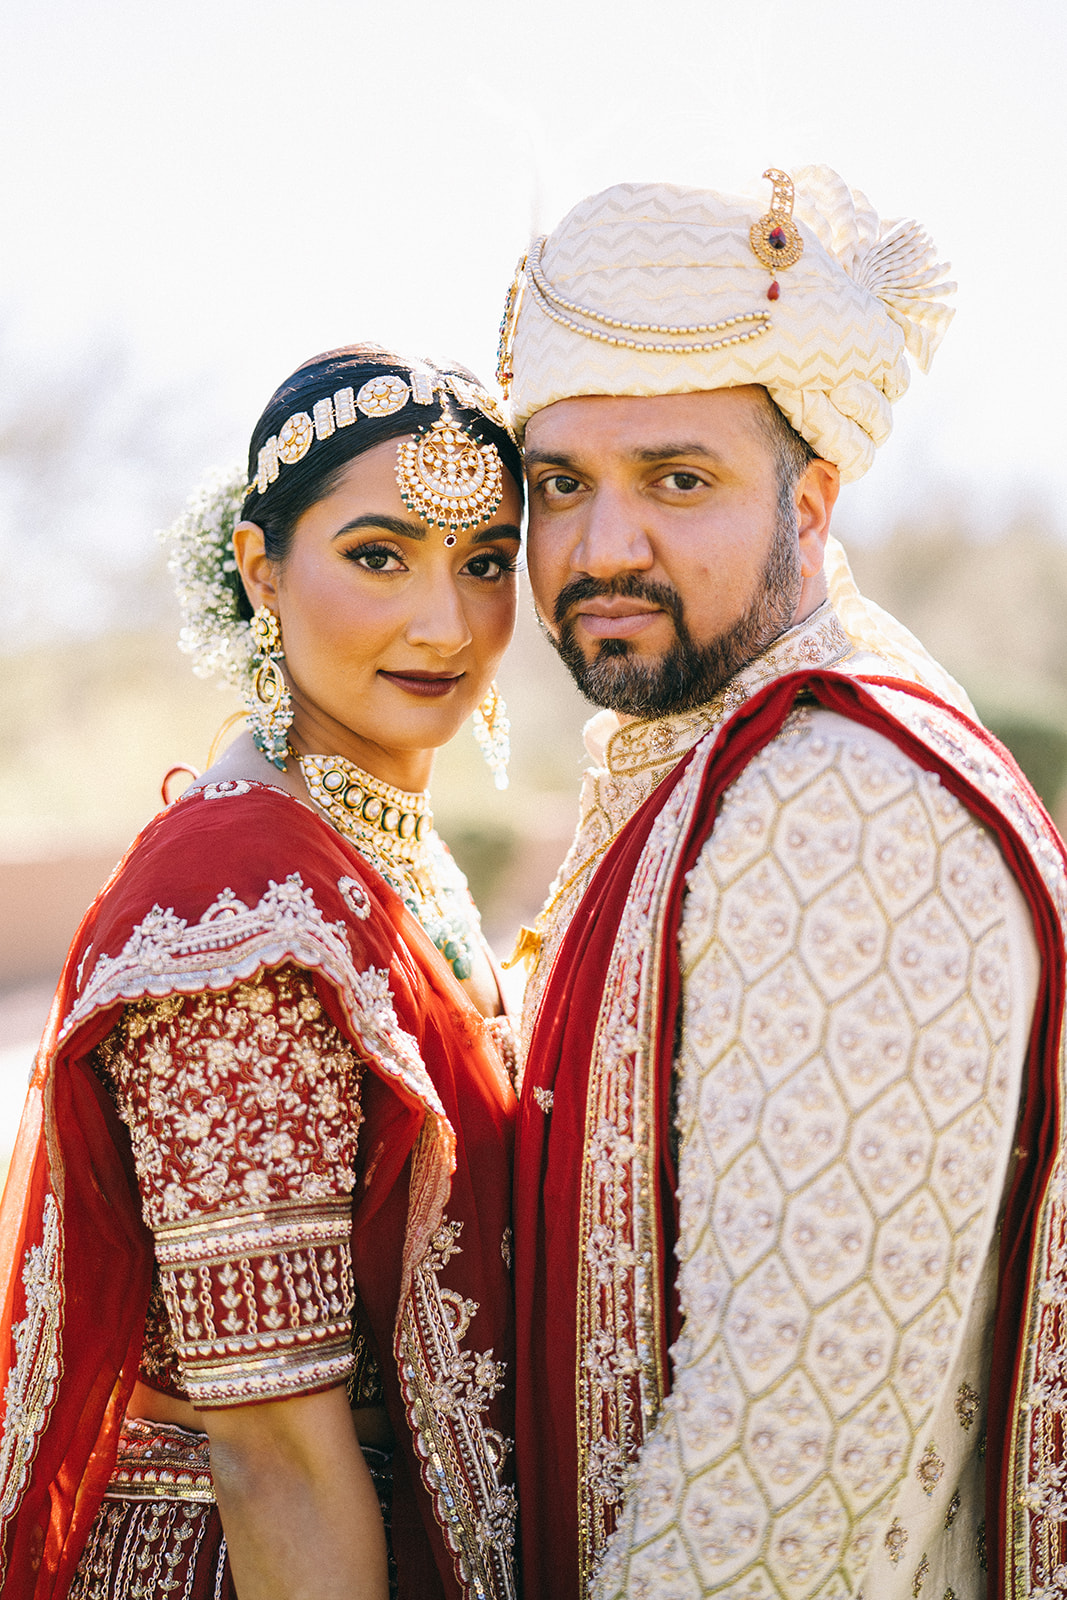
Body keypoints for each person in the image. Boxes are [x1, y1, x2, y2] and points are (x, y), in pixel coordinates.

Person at [500, 168, 1067, 1599]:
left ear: (809, 503)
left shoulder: (840, 798)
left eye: (676, 480)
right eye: (559, 484)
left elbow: (785, 1463)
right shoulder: (709, 753)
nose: (596, 545)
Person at [0, 345, 524, 1600]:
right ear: (258, 570)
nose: (443, 622)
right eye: (377, 555)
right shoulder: (235, 913)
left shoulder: (382, 859)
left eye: (487, 563)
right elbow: (275, 1449)